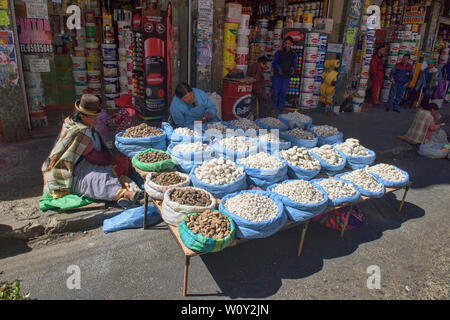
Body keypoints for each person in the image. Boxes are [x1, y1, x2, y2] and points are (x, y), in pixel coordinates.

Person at [41, 94, 142, 209]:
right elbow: (93, 157)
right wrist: (110, 159)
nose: (96, 120)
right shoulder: (81, 132)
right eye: (93, 117)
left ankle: (123, 196)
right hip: (71, 173)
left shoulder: (79, 125)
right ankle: (123, 194)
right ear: (83, 116)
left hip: (85, 164)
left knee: (112, 171)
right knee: (99, 178)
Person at [272, 36, 297, 112]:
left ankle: (281, 107)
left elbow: (294, 64)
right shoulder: (278, 52)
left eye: (289, 43)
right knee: (275, 92)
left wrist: (293, 68)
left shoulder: (293, 54)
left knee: (283, 92)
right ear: (283, 44)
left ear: (291, 44)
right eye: (286, 43)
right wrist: (278, 68)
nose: (287, 45)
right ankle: (273, 107)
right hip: (278, 75)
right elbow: (274, 62)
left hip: (286, 76)